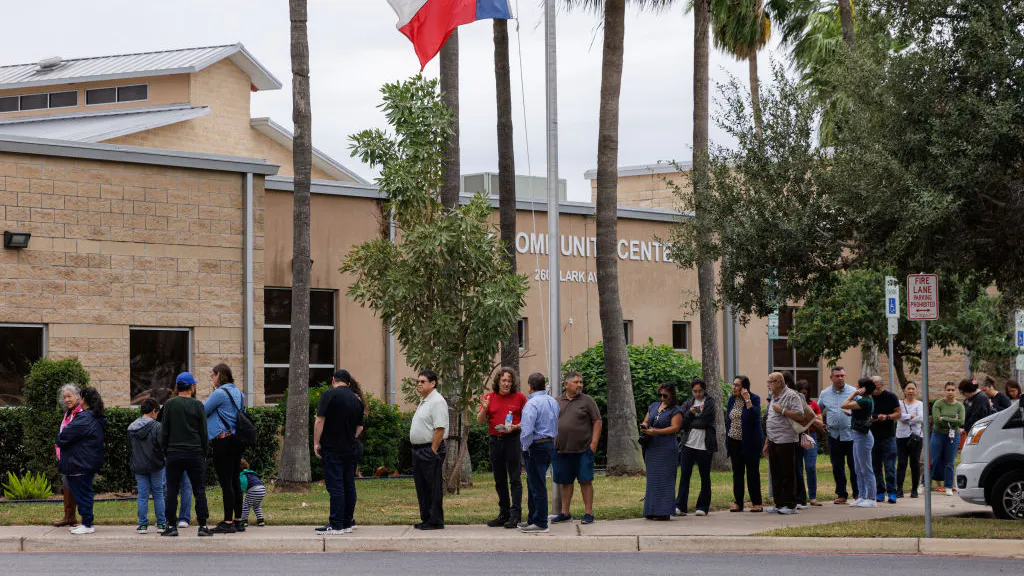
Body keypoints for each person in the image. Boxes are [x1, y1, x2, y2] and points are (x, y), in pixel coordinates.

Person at [313, 369, 365, 535]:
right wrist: (350, 437)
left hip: (333, 447)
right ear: (349, 383)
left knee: (335, 486)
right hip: (351, 447)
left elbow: (320, 420)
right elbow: (360, 427)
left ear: (333, 379)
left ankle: (336, 524)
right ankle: (347, 521)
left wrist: (316, 443)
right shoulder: (357, 400)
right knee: (348, 484)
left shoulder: (330, 395)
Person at [160, 372, 212, 537]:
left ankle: (171, 526)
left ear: (177, 387)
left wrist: (165, 452)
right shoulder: (198, 406)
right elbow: (204, 432)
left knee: (172, 490)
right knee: (199, 490)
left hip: (174, 453)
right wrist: (204, 452)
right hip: (194, 452)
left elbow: (164, 432)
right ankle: (203, 526)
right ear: (192, 387)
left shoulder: (169, 405)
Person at [477, 367, 528, 529]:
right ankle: (504, 513)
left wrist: (515, 427)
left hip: (512, 439)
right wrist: (484, 409)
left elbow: (528, 421)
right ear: (498, 381)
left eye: (509, 381)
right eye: (504, 380)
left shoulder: (519, 398)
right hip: (495, 440)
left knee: (514, 478)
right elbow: (479, 421)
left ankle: (515, 514)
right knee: (499, 479)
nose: (506, 383)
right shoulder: (489, 397)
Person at [551, 371, 602, 525]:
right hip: (562, 450)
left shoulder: (587, 401)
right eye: (576, 382)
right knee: (566, 482)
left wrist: (593, 444)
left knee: (585, 481)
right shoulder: (556, 401)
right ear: (566, 384)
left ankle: (588, 513)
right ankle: (565, 513)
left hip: (583, 450)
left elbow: (597, 421)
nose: (580, 385)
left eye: (581, 382)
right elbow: (551, 421)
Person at [764, 372, 816, 515]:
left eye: (771, 382)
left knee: (787, 473)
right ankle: (780, 503)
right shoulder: (775, 396)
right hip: (774, 439)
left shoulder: (791, 395)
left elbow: (800, 416)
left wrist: (783, 411)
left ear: (780, 382)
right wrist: (767, 442)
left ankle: (791, 504)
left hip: (786, 439)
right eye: (768, 382)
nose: (769, 385)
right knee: (776, 473)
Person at [55, 386, 105, 535]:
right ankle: (85, 522)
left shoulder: (84, 418)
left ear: (83, 399)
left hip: (79, 463)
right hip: (86, 461)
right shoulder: (96, 416)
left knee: (83, 494)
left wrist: (59, 438)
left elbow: (63, 437)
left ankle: (88, 524)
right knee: (84, 493)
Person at [204, 363, 246, 534]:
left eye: (212, 376)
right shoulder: (239, 393)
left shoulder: (220, 393)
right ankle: (238, 520)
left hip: (223, 440)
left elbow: (203, 410)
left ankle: (227, 522)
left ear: (219, 375)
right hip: (236, 440)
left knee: (225, 482)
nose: (212, 379)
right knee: (235, 480)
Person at [517, 372, 559, 533]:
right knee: (534, 482)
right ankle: (533, 518)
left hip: (536, 446)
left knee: (537, 485)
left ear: (530, 387)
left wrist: (525, 447)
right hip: (549, 444)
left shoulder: (532, 404)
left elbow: (527, 430)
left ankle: (540, 522)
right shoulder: (552, 401)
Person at [409, 369, 449, 530]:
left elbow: (439, 428)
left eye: (422, 381)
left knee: (432, 486)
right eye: (418, 381)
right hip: (419, 449)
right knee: (422, 486)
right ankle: (426, 518)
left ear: (433, 383)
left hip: (430, 449)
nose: (419, 384)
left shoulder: (437, 401)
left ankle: (435, 520)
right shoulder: (424, 400)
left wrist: (432, 450)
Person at [816, 366, 859, 504]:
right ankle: (842, 494)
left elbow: (864, 409)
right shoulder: (824, 393)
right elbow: (818, 410)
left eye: (842, 376)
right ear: (831, 378)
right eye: (837, 376)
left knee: (854, 466)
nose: (840, 378)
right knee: (837, 466)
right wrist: (821, 423)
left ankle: (858, 494)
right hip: (834, 436)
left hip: (851, 435)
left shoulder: (853, 392)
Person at [676, 378, 718, 516]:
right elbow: (681, 423)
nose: (698, 394)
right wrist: (691, 413)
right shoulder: (688, 403)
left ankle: (703, 506)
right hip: (688, 444)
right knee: (685, 475)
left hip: (704, 445)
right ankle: (681, 506)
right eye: (695, 391)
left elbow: (706, 421)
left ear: (704, 390)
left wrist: (691, 421)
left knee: (704, 476)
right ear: (692, 391)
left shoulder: (710, 402)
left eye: (700, 391)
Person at [641, 383, 683, 520]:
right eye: (660, 395)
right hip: (652, 448)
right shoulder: (654, 406)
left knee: (665, 479)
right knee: (653, 480)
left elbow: (675, 428)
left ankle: (663, 512)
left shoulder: (676, 410)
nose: (662, 398)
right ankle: (651, 510)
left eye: (665, 395)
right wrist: (645, 426)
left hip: (667, 449)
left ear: (672, 395)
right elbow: (647, 420)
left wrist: (656, 431)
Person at [726, 376, 763, 513]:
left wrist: (747, 399)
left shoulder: (754, 399)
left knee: (752, 472)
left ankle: (757, 503)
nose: (734, 387)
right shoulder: (732, 400)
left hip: (750, 442)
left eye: (737, 385)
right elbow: (728, 420)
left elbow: (754, 417)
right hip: (734, 441)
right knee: (737, 473)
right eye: (733, 384)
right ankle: (738, 503)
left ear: (744, 388)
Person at [129, 398, 166, 533]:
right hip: (156, 465)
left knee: (142, 495)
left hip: (139, 465)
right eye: (157, 413)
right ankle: (161, 523)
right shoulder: (157, 427)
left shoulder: (132, 427)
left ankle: (143, 524)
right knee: (158, 493)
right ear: (153, 411)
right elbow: (162, 446)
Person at [841, 377, 877, 508]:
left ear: (863, 389)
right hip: (857, 435)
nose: (856, 387)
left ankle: (871, 498)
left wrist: (854, 394)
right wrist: (851, 415)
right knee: (858, 468)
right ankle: (862, 496)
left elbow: (844, 404)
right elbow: (862, 414)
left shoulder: (865, 400)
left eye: (858, 386)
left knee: (866, 468)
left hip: (863, 437)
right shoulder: (865, 401)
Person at [53, 384, 83, 528]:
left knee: (80, 487)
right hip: (65, 458)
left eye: (69, 396)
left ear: (77, 396)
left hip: (77, 458)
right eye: (64, 397)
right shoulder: (67, 414)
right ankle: (69, 517)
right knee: (67, 485)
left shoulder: (81, 414)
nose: (66, 399)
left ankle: (86, 519)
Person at [869, 376, 901, 504]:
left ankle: (892, 492)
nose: (875, 390)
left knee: (889, 466)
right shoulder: (868, 397)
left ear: (882, 385)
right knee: (875, 466)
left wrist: (887, 417)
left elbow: (898, 413)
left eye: (877, 387)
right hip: (872, 436)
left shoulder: (891, 397)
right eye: (873, 387)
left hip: (888, 436)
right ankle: (880, 491)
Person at [930, 382, 965, 495]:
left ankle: (948, 486)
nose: (950, 392)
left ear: (955, 391)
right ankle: (925, 483)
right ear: (944, 391)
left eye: (952, 390)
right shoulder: (938, 404)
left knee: (950, 461)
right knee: (933, 459)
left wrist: (944, 418)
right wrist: (952, 420)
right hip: (938, 434)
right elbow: (936, 421)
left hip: (953, 436)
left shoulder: (960, 406)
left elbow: (961, 422)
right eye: (948, 390)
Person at [796, 380, 825, 507]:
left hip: (809, 436)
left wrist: (807, 415)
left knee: (810, 466)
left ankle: (812, 496)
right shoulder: (794, 404)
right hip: (796, 437)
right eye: (801, 389)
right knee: (798, 468)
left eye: (806, 389)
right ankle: (800, 496)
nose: (804, 392)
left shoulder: (813, 404)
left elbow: (820, 421)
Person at [895, 382, 924, 498]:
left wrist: (907, 418)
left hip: (916, 436)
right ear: (904, 390)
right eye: (908, 388)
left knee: (915, 463)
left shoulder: (920, 404)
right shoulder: (899, 403)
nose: (911, 391)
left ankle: (914, 489)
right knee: (901, 463)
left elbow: (921, 418)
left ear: (916, 390)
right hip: (901, 436)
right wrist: (910, 416)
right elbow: (898, 416)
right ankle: (899, 489)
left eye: (913, 388)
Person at [239, 460, 266, 528]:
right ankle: (261, 520)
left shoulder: (243, 474)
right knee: (256, 505)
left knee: (246, 505)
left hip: (254, 489)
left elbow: (244, 483)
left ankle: (244, 521)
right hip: (262, 489)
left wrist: (242, 492)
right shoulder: (251, 473)